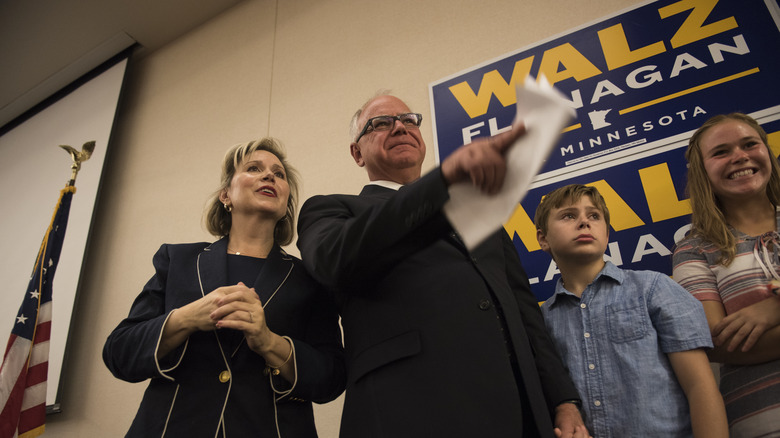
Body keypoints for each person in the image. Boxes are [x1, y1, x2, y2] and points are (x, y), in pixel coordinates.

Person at [296, 93, 587, 438]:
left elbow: (525, 314)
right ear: (357, 153)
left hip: (521, 414)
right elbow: (335, 261)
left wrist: (563, 399)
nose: (400, 127)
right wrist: (442, 184)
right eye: (381, 123)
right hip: (410, 415)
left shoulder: (480, 212)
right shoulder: (331, 210)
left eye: (408, 120)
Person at [103, 138, 346, 437]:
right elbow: (119, 353)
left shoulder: (311, 278)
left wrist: (269, 342)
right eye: (254, 168)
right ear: (226, 195)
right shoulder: (177, 260)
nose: (269, 176)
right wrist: (187, 318)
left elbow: (332, 379)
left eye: (278, 174)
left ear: (285, 205)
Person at [535, 184, 728, 437]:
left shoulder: (653, 288)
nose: (584, 222)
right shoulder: (541, 322)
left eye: (594, 216)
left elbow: (700, 387)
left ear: (606, 235)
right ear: (543, 239)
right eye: (569, 216)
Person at [672, 113, 780, 436]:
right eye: (721, 152)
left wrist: (773, 308)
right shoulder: (693, 250)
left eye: (750, 144)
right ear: (702, 171)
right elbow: (718, 343)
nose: (740, 156)